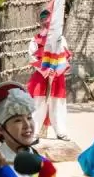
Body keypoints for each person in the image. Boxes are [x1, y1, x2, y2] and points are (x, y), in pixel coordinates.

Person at [26, 9, 70, 140]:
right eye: (44, 21)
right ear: (40, 22)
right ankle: (34, 131)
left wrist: (57, 70)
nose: (46, 23)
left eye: (49, 21)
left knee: (58, 104)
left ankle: (61, 131)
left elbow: (65, 56)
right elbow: (32, 58)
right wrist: (45, 70)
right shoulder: (35, 40)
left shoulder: (60, 39)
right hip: (41, 76)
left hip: (57, 76)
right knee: (38, 104)